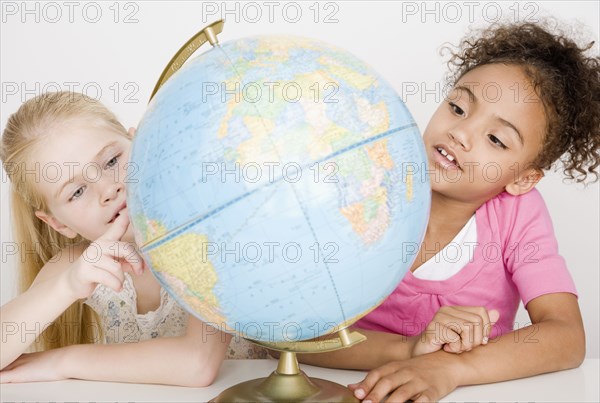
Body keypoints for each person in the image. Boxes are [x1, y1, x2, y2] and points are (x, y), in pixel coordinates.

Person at [297, 21, 600, 401]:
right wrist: (410, 351)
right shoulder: (369, 183)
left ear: (523, 178)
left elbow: (567, 337)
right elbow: (294, 334)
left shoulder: (518, 214)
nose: (460, 132)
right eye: (457, 107)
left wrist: (450, 367)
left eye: (495, 139)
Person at [0, 92, 264, 386]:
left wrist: (63, 360)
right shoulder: (78, 264)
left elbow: (197, 363)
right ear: (58, 223)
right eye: (76, 192)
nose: (108, 190)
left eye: (112, 160)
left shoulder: (205, 233)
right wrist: (68, 285)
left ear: (140, 144)